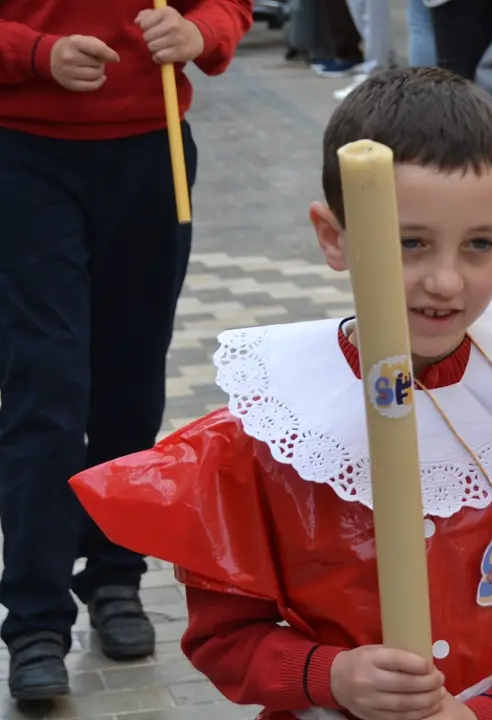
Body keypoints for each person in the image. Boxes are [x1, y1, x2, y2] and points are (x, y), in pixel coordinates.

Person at [69, 68, 492, 720]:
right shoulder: (276, 431)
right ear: (335, 237)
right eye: (410, 243)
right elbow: (223, 635)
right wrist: (329, 675)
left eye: (480, 244)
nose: (446, 281)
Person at [0, 0, 253, 701]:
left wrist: (201, 32)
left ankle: (115, 576)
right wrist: (32, 53)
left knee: (132, 381)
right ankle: (34, 619)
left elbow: (229, 5)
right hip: (22, 153)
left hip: (153, 152)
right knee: (43, 388)